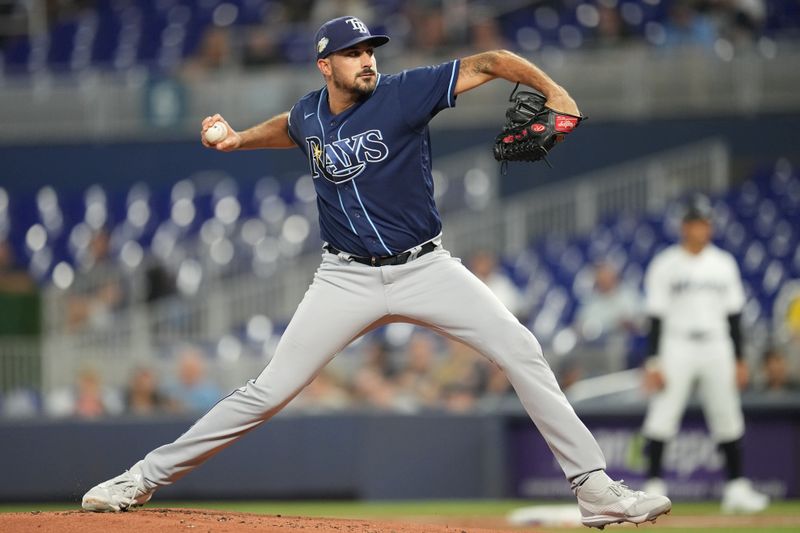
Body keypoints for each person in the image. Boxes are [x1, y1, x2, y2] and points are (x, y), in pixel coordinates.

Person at [81, 16, 671, 527]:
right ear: (324, 65)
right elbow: (287, 128)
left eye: (370, 51)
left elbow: (492, 61)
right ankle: (138, 480)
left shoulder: (403, 93)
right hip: (344, 278)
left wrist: (556, 91)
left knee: (520, 348)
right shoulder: (311, 113)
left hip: (426, 267)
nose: (367, 61)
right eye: (354, 54)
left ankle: (594, 490)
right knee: (267, 391)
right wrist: (237, 140)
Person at [640, 194, 769, 514]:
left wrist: (739, 358)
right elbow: (655, 316)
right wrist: (654, 361)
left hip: (716, 343)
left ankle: (736, 487)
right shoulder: (665, 263)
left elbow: (734, 315)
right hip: (677, 343)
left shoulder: (723, 263)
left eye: (706, 223)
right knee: (663, 414)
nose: (703, 229)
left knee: (727, 414)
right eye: (697, 222)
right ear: (685, 226)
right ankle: (654, 485)